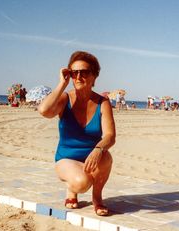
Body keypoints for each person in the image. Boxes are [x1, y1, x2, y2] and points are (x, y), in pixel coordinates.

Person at [38, 51, 115, 216]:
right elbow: (44, 111)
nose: (78, 77)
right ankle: (71, 190)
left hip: (92, 157)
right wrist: (61, 84)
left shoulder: (103, 102)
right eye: (74, 73)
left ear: (94, 76)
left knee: (106, 157)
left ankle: (97, 198)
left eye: (84, 72)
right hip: (66, 158)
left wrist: (98, 149)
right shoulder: (65, 98)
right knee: (82, 183)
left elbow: (110, 136)